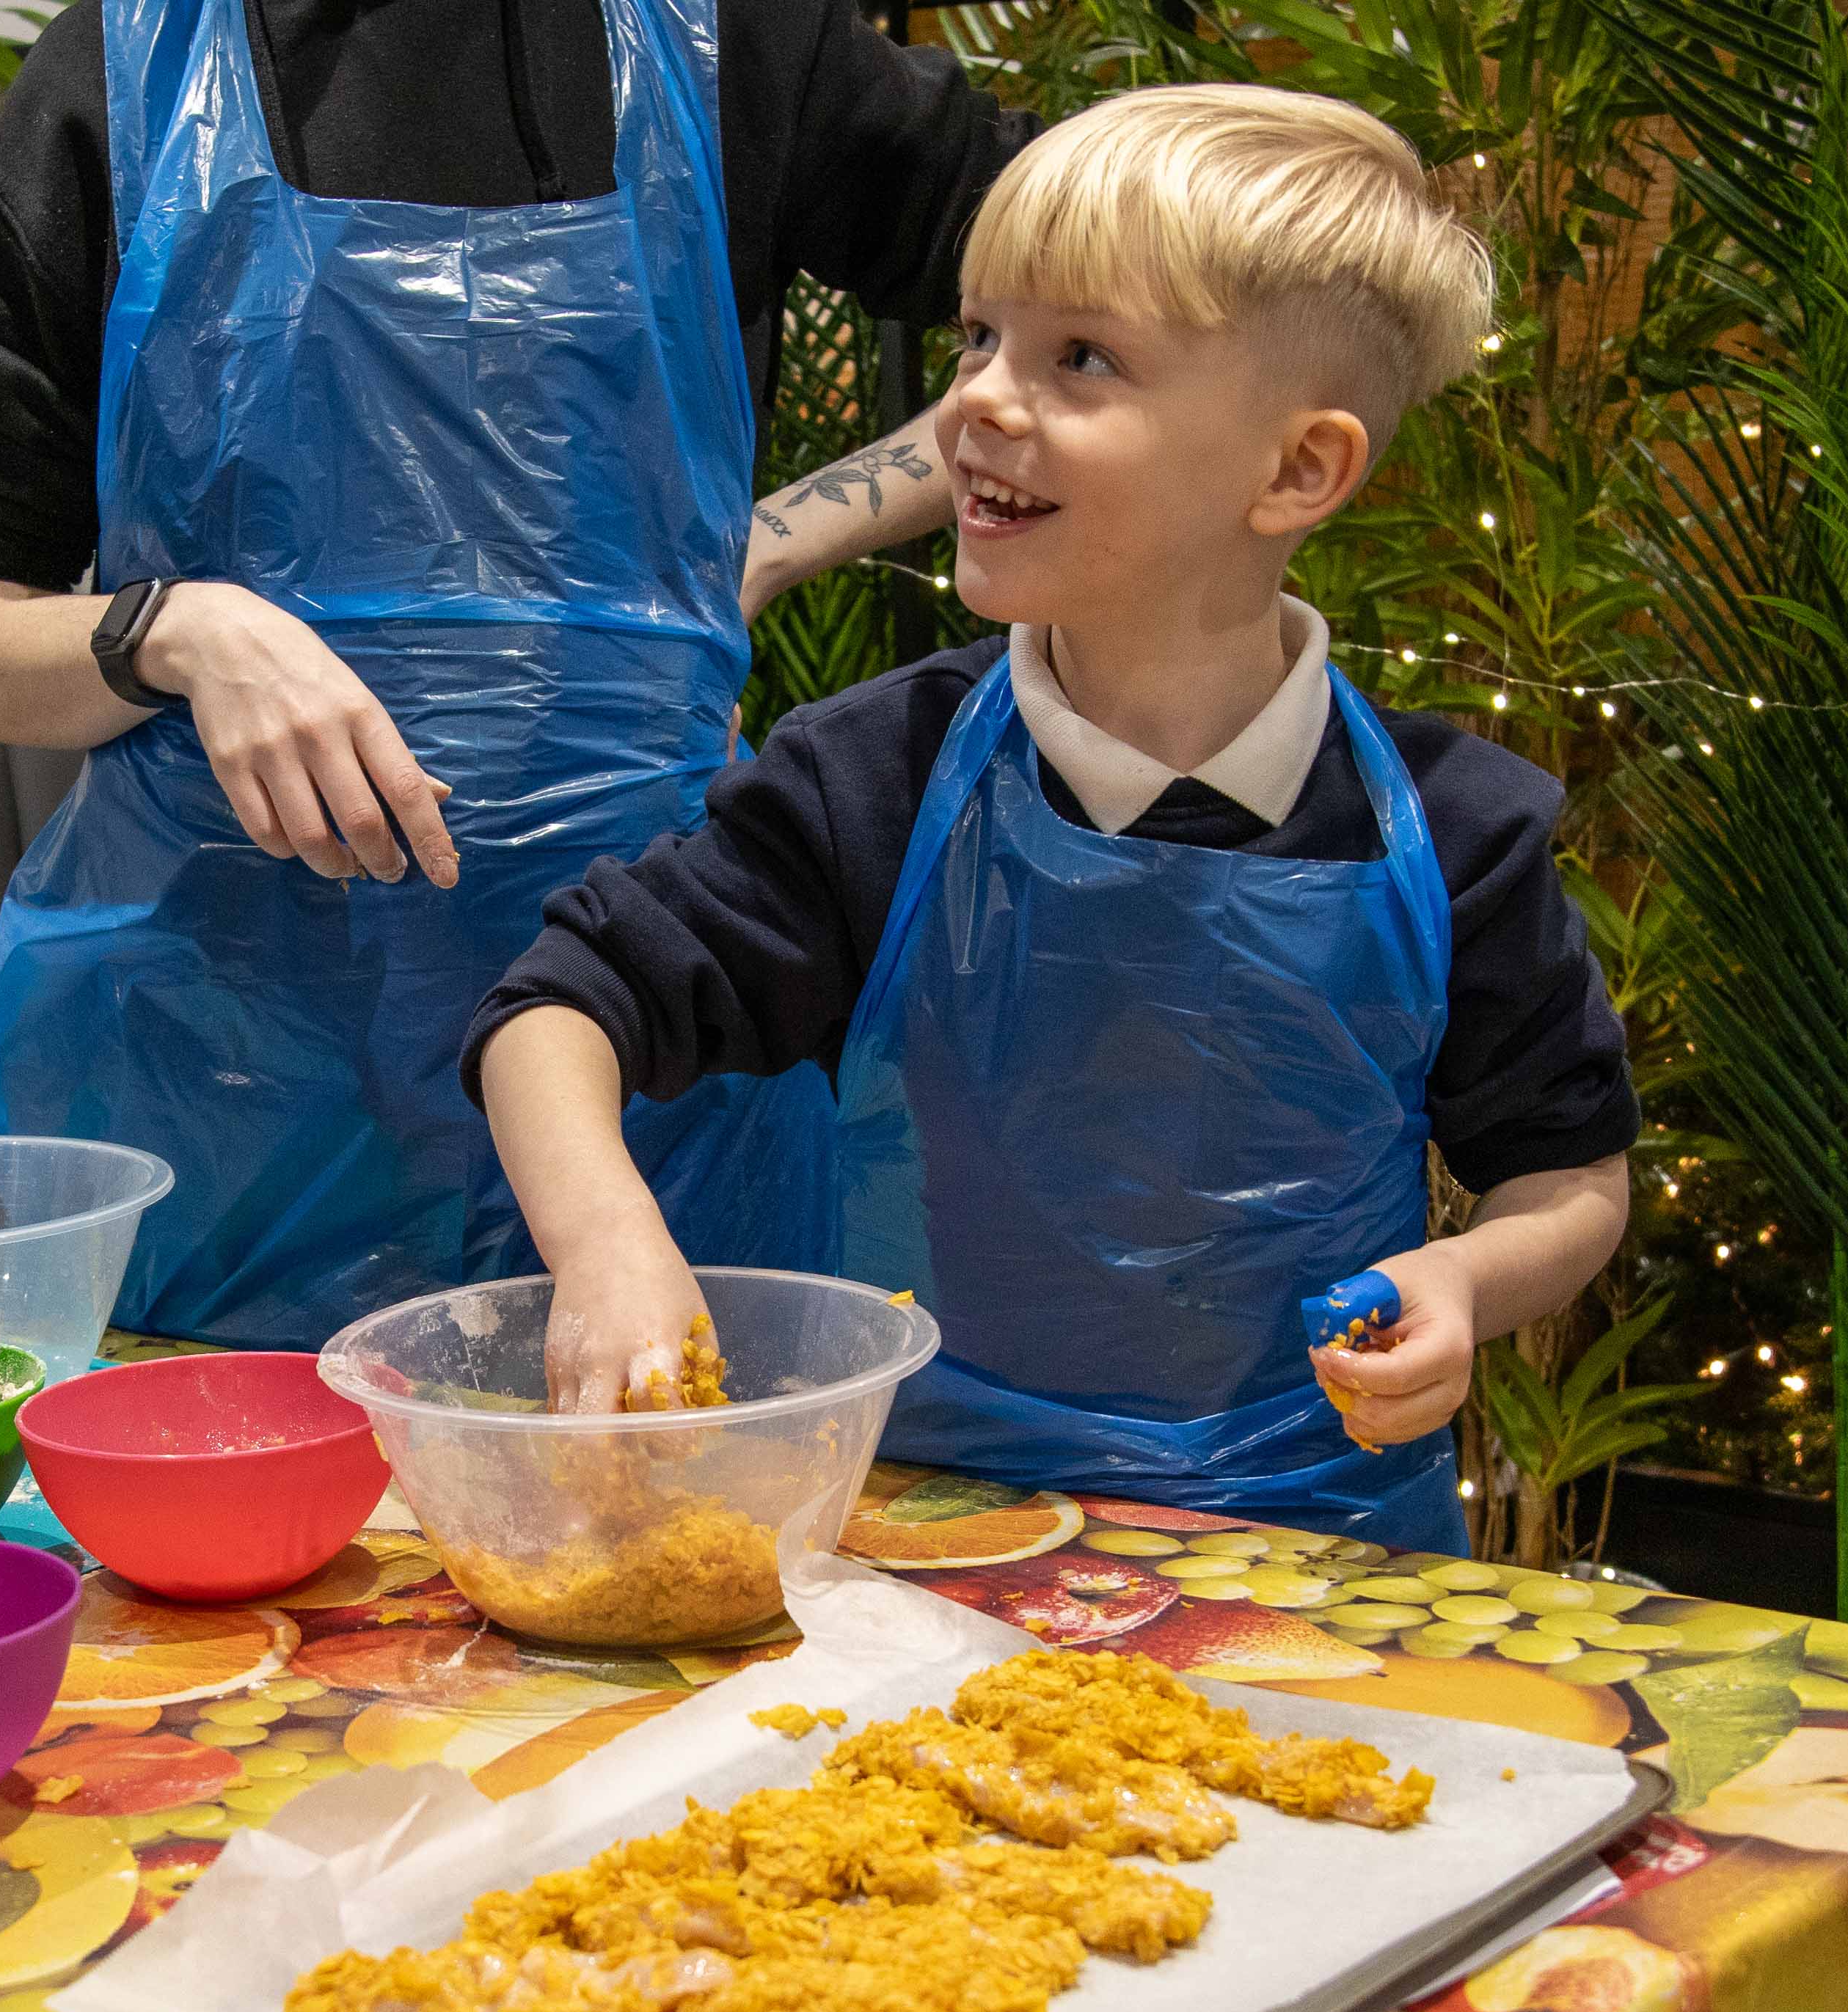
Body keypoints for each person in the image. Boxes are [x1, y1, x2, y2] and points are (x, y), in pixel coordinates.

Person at [465, 86, 1635, 1548]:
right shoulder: (870, 783)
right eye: (979, 338)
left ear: (1300, 470)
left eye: (1080, 357)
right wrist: (611, 1244)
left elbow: (1570, 1175)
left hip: (1325, 1561)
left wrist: (1468, 1282)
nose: (978, 404)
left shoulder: (1460, 835)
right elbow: (551, 1013)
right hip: (929, 1542)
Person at [0, 0, 1037, 1350]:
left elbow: (1116, 258)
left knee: (666, 1519)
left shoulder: (729, 43)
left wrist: (773, 539)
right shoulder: (124, 72)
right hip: (227, 1082)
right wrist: (182, 633)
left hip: (646, 1043)